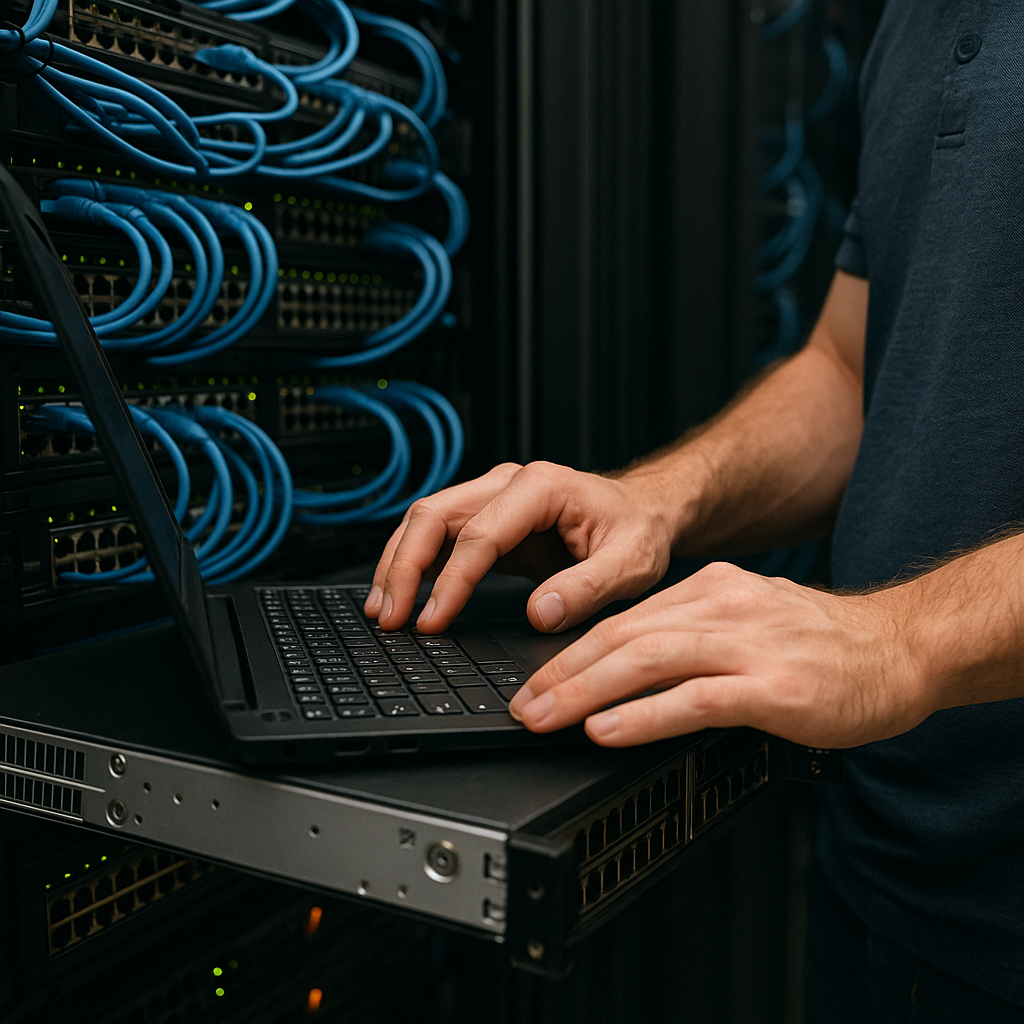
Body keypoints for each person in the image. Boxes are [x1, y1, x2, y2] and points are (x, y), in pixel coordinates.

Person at [365, 3, 1024, 1020]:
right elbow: (853, 367)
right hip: (880, 879)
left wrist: (903, 637)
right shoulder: (920, 17)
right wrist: (656, 500)